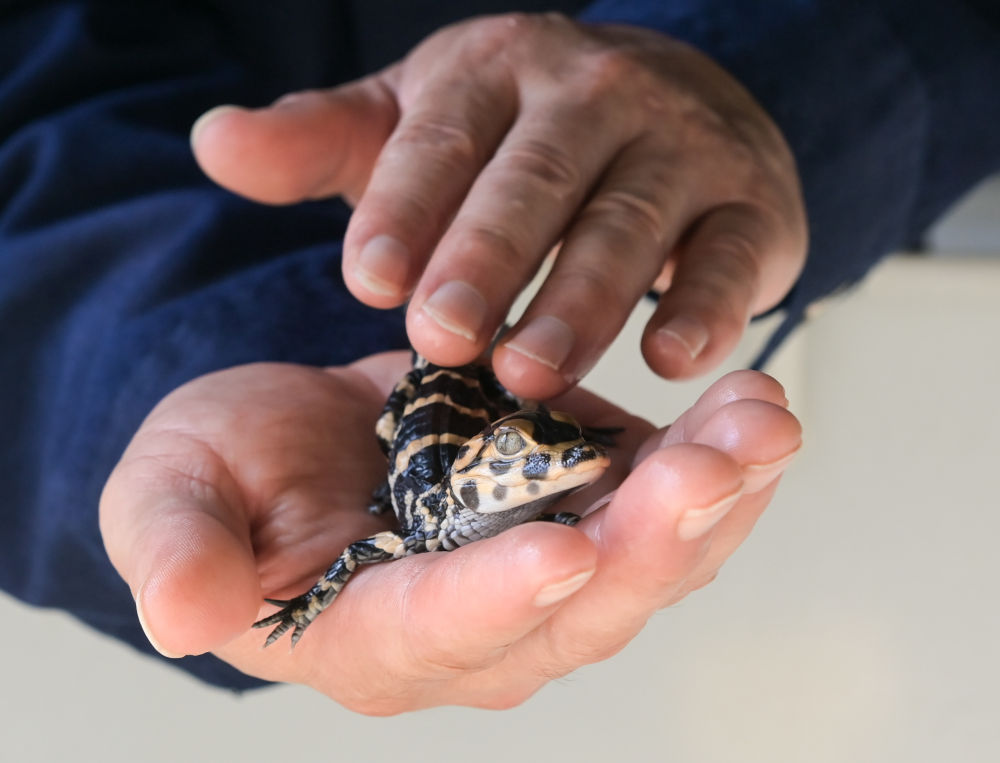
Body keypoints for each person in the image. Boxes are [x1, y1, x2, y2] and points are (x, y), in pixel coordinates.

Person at [1, 1, 996, 713]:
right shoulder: (434, 510)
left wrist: (768, 73)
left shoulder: (451, 506)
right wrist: (189, 361)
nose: (568, 470)